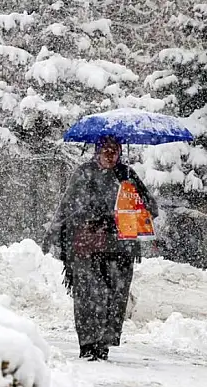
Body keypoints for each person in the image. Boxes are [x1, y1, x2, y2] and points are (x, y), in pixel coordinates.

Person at [42, 136, 158, 361]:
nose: (110, 154)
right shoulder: (83, 173)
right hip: (86, 248)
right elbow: (67, 206)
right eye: (105, 150)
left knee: (114, 298)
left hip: (120, 249)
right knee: (88, 295)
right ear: (97, 151)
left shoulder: (126, 175)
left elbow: (150, 207)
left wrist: (130, 208)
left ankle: (103, 346)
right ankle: (87, 345)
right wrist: (55, 233)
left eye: (114, 150)